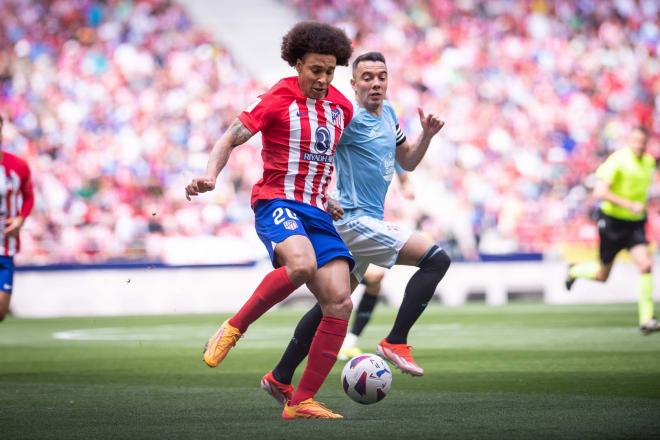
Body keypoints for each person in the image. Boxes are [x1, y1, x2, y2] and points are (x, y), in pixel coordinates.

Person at [185, 21, 355, 420]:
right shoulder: (277, 98)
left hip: (316, 210)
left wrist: (328, 198)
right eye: (316, 70)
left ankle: (299, 400)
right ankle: (234, 327)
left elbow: (318, 159)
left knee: (340, 302)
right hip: (277, 202)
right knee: (301, 265)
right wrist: (211, 175)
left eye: (330, 71)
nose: (323, 79)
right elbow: (228, 137)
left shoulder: (341, 108)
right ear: (298, 64)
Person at [259, 52, 450, 406]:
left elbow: (406, 158)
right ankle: (395, 340)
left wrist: (426, 135)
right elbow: (314, 151)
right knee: (436, 259)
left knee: (330, 307)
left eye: (381, 76)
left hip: (366, 222)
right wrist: (322, 195)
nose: (375, 83)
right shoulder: (346, 118)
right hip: (353, 220)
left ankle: (280, 376)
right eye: (367, 78)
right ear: (353, 84)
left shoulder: (389, 113)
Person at [565, 127, 659, 335]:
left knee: (645, 265)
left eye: (642, 142)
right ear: (629, 140)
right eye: (635, 141)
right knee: (601, 274)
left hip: (635, 223)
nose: (639, 145)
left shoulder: (649, 162)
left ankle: (647, 319)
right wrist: (629, 204)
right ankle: (574, 270)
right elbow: (600, 192)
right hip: (612, 222)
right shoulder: (618, 161)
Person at [338, 168, 413, 361]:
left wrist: (405, 181)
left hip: (365, 223)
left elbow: (398, 149)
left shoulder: (383, 151)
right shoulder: (350, 160)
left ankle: (348, 342)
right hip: (342, 223)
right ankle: (334, 341)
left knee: (374, 279)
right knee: (339, 294)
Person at [0, 115, 35, 322]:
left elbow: (29, 197)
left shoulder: (18, 166)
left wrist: (21, 219)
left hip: (5, 246)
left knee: (1, 312)